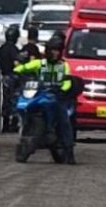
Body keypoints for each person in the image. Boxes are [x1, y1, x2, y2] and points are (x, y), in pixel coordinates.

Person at [13, 35, 76, 164]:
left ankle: (69, 150)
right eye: (53, 49)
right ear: (48, 50)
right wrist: (17, 71)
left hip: (56, 97)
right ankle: (25, 131)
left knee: (64, 121)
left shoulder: (64, 65)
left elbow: (68, 81)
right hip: (39, 94)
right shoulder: (39, 63)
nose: (55, 53)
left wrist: (62, 89)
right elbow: (21, 69)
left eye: (58, 50)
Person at [0, 25, 22, 130]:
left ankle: (6, 121)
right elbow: (16, 63)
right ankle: (13, 122)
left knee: (6, 100)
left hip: (3, 76)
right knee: (14, 99)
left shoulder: (1, 49)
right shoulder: (13, 49)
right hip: (12, 76)